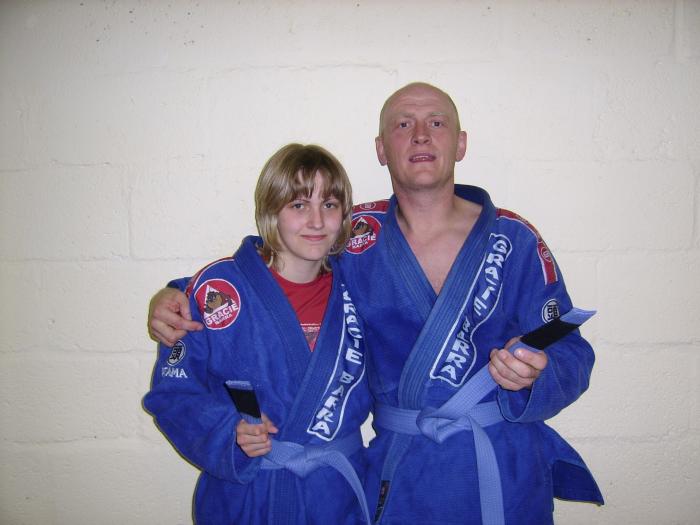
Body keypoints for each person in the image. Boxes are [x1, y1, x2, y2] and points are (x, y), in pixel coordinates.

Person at [149, 83, 603, 524]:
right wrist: (176, 295)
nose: (420, 135)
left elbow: (569, 347)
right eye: (403, 124)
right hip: (402, 475)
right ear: (382, 149)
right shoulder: (354, 235)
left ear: (461, 143)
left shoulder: (514, 239)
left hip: (503, 467)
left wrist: (539, 373)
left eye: (437, 123)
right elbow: (269, 273)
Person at [143, 144, 373, 524]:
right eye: (299, 205)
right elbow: (173, 395)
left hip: (335, 496)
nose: (317, 221)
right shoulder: (215, 292)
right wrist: (229, 432)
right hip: (248, 497)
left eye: (329, 205)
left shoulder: (361, 286)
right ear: (271, 211)